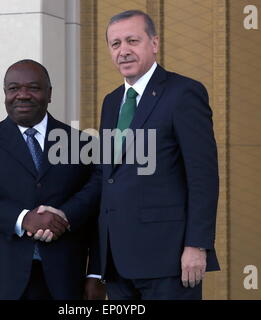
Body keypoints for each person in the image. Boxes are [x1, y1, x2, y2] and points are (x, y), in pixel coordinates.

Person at [38, 10, 220, 300]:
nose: (123, 51)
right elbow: (104, 177)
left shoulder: (184, 93)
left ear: (154, 43)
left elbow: (203, 176)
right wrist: (65, 214)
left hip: (169, 260)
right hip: (118, 263)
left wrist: (197, 245)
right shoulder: (111, 103)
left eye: (132, 41)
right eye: (116, 44)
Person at [0, 59, 105, 300]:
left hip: (63, 279)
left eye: (33, 87)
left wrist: (96, 274)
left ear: (49, 93)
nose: (22, 95)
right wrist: (24, 219)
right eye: (13, 88)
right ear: (5, 94)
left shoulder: (83, 144)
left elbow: (98, 207)